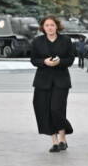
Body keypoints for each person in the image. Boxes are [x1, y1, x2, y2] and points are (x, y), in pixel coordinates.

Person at [30, 16, 76, 153]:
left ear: (57, 26)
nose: (49, 27)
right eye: (47, 25)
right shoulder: (37, 41)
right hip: (42, 82)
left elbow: (71, 59)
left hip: (61, 81)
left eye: (52, 25)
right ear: (43, 28)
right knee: (44, 110)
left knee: (56, 109)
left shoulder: (66, 40)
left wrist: (59, 62)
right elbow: (33, 59)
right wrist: (44, 62)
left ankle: (63, 137)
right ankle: (55, 142)